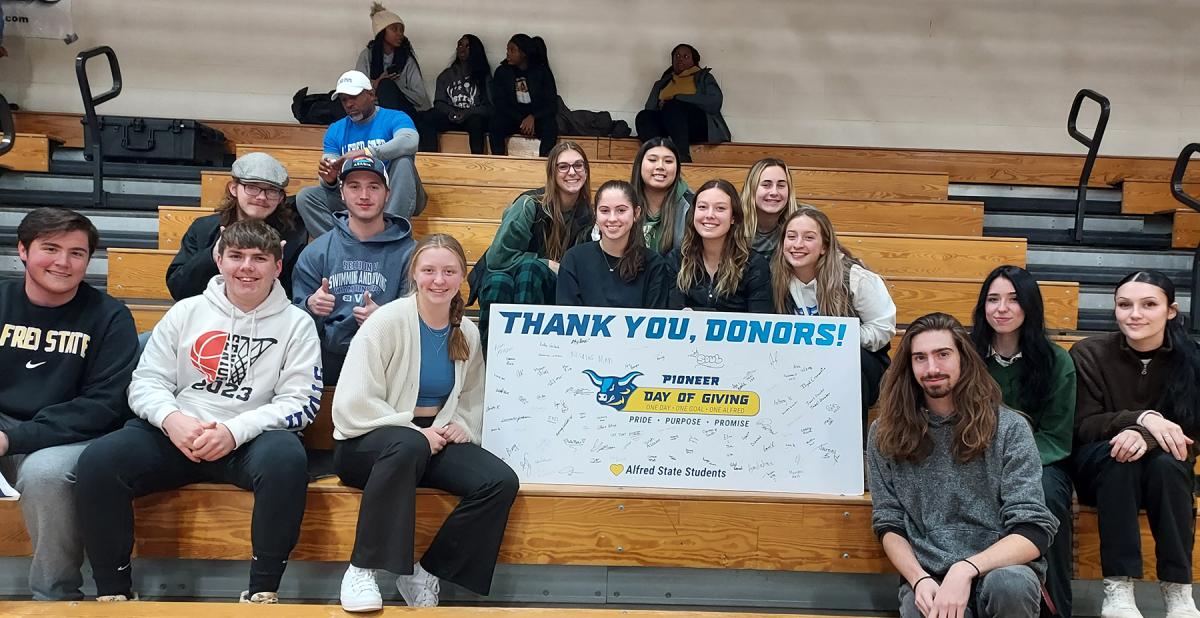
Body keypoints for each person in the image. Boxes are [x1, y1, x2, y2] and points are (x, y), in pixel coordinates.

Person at [75, 220, 323, 604]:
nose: (247, 267)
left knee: (287, 459)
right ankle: (114, 593)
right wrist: (173, 421)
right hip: (177, 432)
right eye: (237, 256)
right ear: (218, 259)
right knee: (98, 461)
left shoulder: (297, 324)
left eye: (259, 258)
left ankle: (263, 590)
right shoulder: (186, 312)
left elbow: (301, 403)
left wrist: (234, 431)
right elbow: (145, 382)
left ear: (277, 266)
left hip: (248, 441)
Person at [333, 234, 518, 611]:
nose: (439, 280)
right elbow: (352, 403)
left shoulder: (465, 331)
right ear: (414, 274)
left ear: (462, 277)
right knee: (408, 444)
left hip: (429, 443)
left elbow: (472, 396)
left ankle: (425, 572)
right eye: (429, 270)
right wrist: (414, 430)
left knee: (499, 482)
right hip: (366, 445)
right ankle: (361, 568)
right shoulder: (386, 322)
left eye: (449, 271)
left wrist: (463, 425)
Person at [868, 312, 1059, 618]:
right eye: (920, 358)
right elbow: (888, 523)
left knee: (1010, 585)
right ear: (909, 366)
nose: (932, 368)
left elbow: (1033, 528)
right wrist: (919, 579)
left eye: (942, 355)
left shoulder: (1009, 428)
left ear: (963, 359)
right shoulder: (885, 433)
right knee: (918, 609)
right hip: (929, 574)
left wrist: (966, 569)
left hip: (1000, 568)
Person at [0, 208, 138, 601]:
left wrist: (13, 438)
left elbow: (102, 405)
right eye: (51, 248)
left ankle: (55, 597)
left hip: (66, 436)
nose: (63, 262)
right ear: (23, 250)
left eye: (77, 253)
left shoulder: (109, 316)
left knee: (46, 476)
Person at [1070, 270, 1200, 618]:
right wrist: (1140, 419)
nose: (1135, 314)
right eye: (1124, 305)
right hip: (1099, 466)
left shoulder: (1192, 360)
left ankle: (1178, 590)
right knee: (1120, 458)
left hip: (1165, 468)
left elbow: (1191, 436)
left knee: (1169, 464)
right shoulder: (1089, 353)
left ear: (1170, 311)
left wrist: (1143, 435)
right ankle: (1119, 587)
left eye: (1149, 305)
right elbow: (1083, 425)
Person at [970, 265, 1076, 618]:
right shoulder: (966, 357)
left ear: (1030, 306)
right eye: (993, 299)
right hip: (972, 459)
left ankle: (1054, 606)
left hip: (1041, 463)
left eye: (1014, 300)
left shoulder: (1056, 362)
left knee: (1045, 495)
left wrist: (1012, 466)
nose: (1002, 308)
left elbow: (1056, 436)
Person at [292, 155, 417, 384]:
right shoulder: (316, 252)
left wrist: (386, 320)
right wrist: (310, 305)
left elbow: (421, 317)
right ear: (341, 193)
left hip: (389, 357)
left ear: (387, 193)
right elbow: (293, 319)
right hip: (328, 357)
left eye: (373, 186)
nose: (364, 195)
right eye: (354, 186)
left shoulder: (411, 254)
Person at [771, 206, 895, 433]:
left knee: (848, 367)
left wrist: (840, 336)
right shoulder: (777, 276)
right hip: (803, 361)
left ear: (824, 246)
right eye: (791, 237)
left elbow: (882, 328)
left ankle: (854, 449)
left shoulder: (854, 276)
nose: (797, 244)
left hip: (858, 363)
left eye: (809, 238)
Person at [470, 141, 592, 344]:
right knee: (501, 282)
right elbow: (497, 259)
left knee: (531, 270)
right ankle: (491, 363)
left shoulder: (591, 216)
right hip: (506, 274)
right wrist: (547, 263)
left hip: (549, 283)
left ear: (586, 171)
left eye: (578, 165)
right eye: (563, 166)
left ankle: (532, 353)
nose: (572, 172)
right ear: (552, 173)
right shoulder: (529, 204)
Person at [296, 70, 426, 237]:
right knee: (306, 197)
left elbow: (410, 141)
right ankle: (345, 245)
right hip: (356, 196)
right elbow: (328, 168)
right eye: (344, 100)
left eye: (354, 97)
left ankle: (391, 236)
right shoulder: (335, 129)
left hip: (392, 193)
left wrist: (367, 153)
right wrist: (330, 179)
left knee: (403, 161)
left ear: (371, 94)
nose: (349, 104)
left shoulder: (395, 117)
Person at [167, 152, 307, 301]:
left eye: (271, 191)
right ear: (233, 189)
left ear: (280, 198)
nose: (261, 197)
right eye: (252, 187)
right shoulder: (204, 228)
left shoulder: (291, 235)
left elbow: (291, 297)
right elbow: (178, 289)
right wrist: (211, 256)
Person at [557, 180, 668, 309]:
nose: (612, 218)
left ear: (636, 213)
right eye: (604, 211)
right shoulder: (573, 259)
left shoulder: (654, 264)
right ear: (595, 213)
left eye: (621, 210)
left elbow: (656, 322)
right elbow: (567, 320)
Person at [666, 178, 771, 312]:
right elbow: (670, 315)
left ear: (733, 217)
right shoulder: (676, 260)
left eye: (720, 208)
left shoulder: (754, 265)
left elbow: (760, 323)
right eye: (702, 207)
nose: (709, 215)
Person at [635, 43, 731, 163]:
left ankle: (683, 156)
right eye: (677, 56)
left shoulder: (703, 77)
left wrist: (677, 97)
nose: (680, 59)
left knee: (673, 106)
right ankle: (658, 156)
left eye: (685, 56)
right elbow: (649, 108)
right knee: (643, 116)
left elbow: (715, 102)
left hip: (698, 126)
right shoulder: (665, 81)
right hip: (669, 123)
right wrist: (657, 89)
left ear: (693, 61)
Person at [489, 34, 557, 157]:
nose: (507, 54)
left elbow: (552, 104)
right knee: (495, 123)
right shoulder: (502, 72)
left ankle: (545, 165)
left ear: (524, 53)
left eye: (512, 50)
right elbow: (499, 103)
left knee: (550, 126)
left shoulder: (542, 72)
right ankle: (497, 161)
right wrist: (521, 119)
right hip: (513, 116)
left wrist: (533, 117)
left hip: (535, 117)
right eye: (507, 50)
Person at [431, 34, 491, 155]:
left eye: (467, 46)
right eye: (460, 45)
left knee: (476, 121)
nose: (462, 48)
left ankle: (478, 164)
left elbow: (489, 108)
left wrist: (467, 113)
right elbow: (438, 103)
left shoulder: (484, 76)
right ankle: (429, 161)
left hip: (472, 118)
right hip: (450, 117)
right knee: (428, 117)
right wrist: (451, 113)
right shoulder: (446, 75)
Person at [630, 137, 693, 255]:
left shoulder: (692, 206)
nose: (660, 166)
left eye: (668, 161)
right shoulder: (624, 201)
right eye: (652, 160)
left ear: (677, 168)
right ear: (639, 164)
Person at [741, 158, 798, 257]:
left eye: (781, 185)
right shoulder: (734, 219)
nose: (774, 192)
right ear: (752, 188)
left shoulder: (806, 218)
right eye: (766, 185)